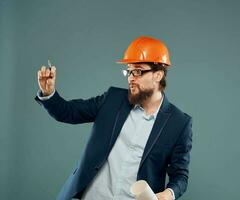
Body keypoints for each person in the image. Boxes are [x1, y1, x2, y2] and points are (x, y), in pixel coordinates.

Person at [35, 36, 193, 200]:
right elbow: (68, 112)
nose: (130, 77)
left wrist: (169, 193)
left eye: (138, 71)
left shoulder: (179, 123)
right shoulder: (112, 100)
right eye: (129, 71)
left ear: (158, 75)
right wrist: (49, 93)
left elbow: (180, 175)